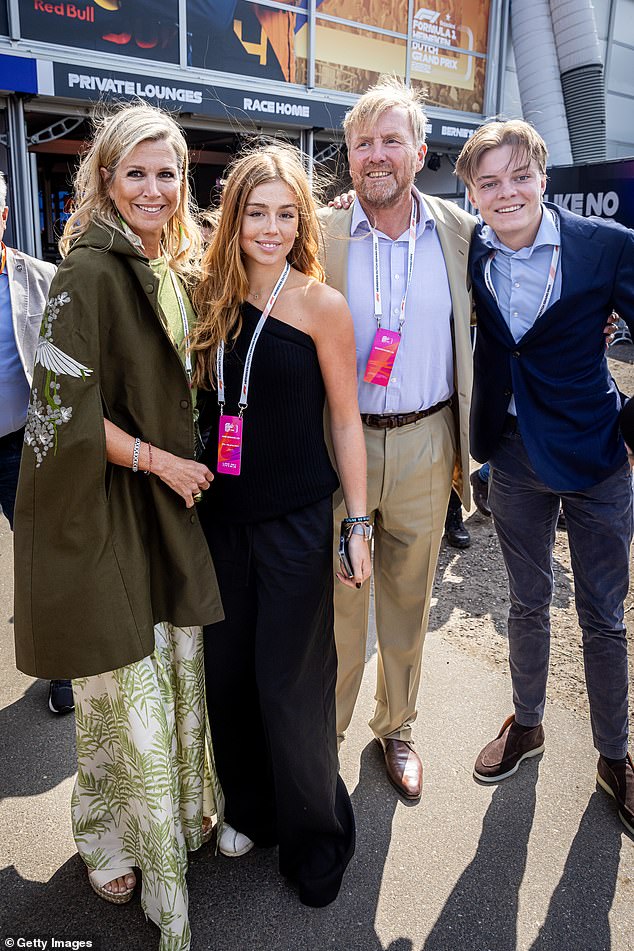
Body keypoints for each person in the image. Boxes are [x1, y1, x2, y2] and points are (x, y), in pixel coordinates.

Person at [13, 103, 224, 950]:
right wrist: (161, 462)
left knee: (172, 673)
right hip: (111, 507)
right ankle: (108, 836)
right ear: (104, 179)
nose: (153, 188)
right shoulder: (87, 273)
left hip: (167, 511)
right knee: (121, 690)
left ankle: (171, 812)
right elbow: (63, 414)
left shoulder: (174, 266)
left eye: (167, 172)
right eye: (134, 172)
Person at [190, 143, 370, 905]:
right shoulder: (207, 297)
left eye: (284, 214)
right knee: (227, 677)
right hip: (219, 522)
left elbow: (347, 419)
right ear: (233, 219)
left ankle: (315, 836)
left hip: (297, 524)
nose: (269, 227)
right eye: (255, 213)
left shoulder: (322, 306)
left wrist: (356, 522)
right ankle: (251, 811)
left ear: (302, 223)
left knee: (293, 687)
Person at [455, 119, 634, 834]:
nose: (507, 194)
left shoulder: (606, 247)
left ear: (544, 176)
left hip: (597, 454)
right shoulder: (468, 250)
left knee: (605, 615)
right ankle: (527, 726)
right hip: (514, 454)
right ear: (471, 194)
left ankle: (616, 756)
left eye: (519, 176)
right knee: (527, 603)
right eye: (489, 183)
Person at [319, 76, 475, 800]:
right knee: (341, 603)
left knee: (407, 601)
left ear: (419, 150)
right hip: (337, 445)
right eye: (362, 143)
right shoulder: (316, 233)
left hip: (425, 439)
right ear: (346, 155)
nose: (376, 154)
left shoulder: (459, 233)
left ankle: (397, 725)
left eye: (391, 141)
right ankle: (328, 733)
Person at [0, 174, 74, 715]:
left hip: (18, 448)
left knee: (41, 559)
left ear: (3, 218)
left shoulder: (39, 278)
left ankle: (60, 666)